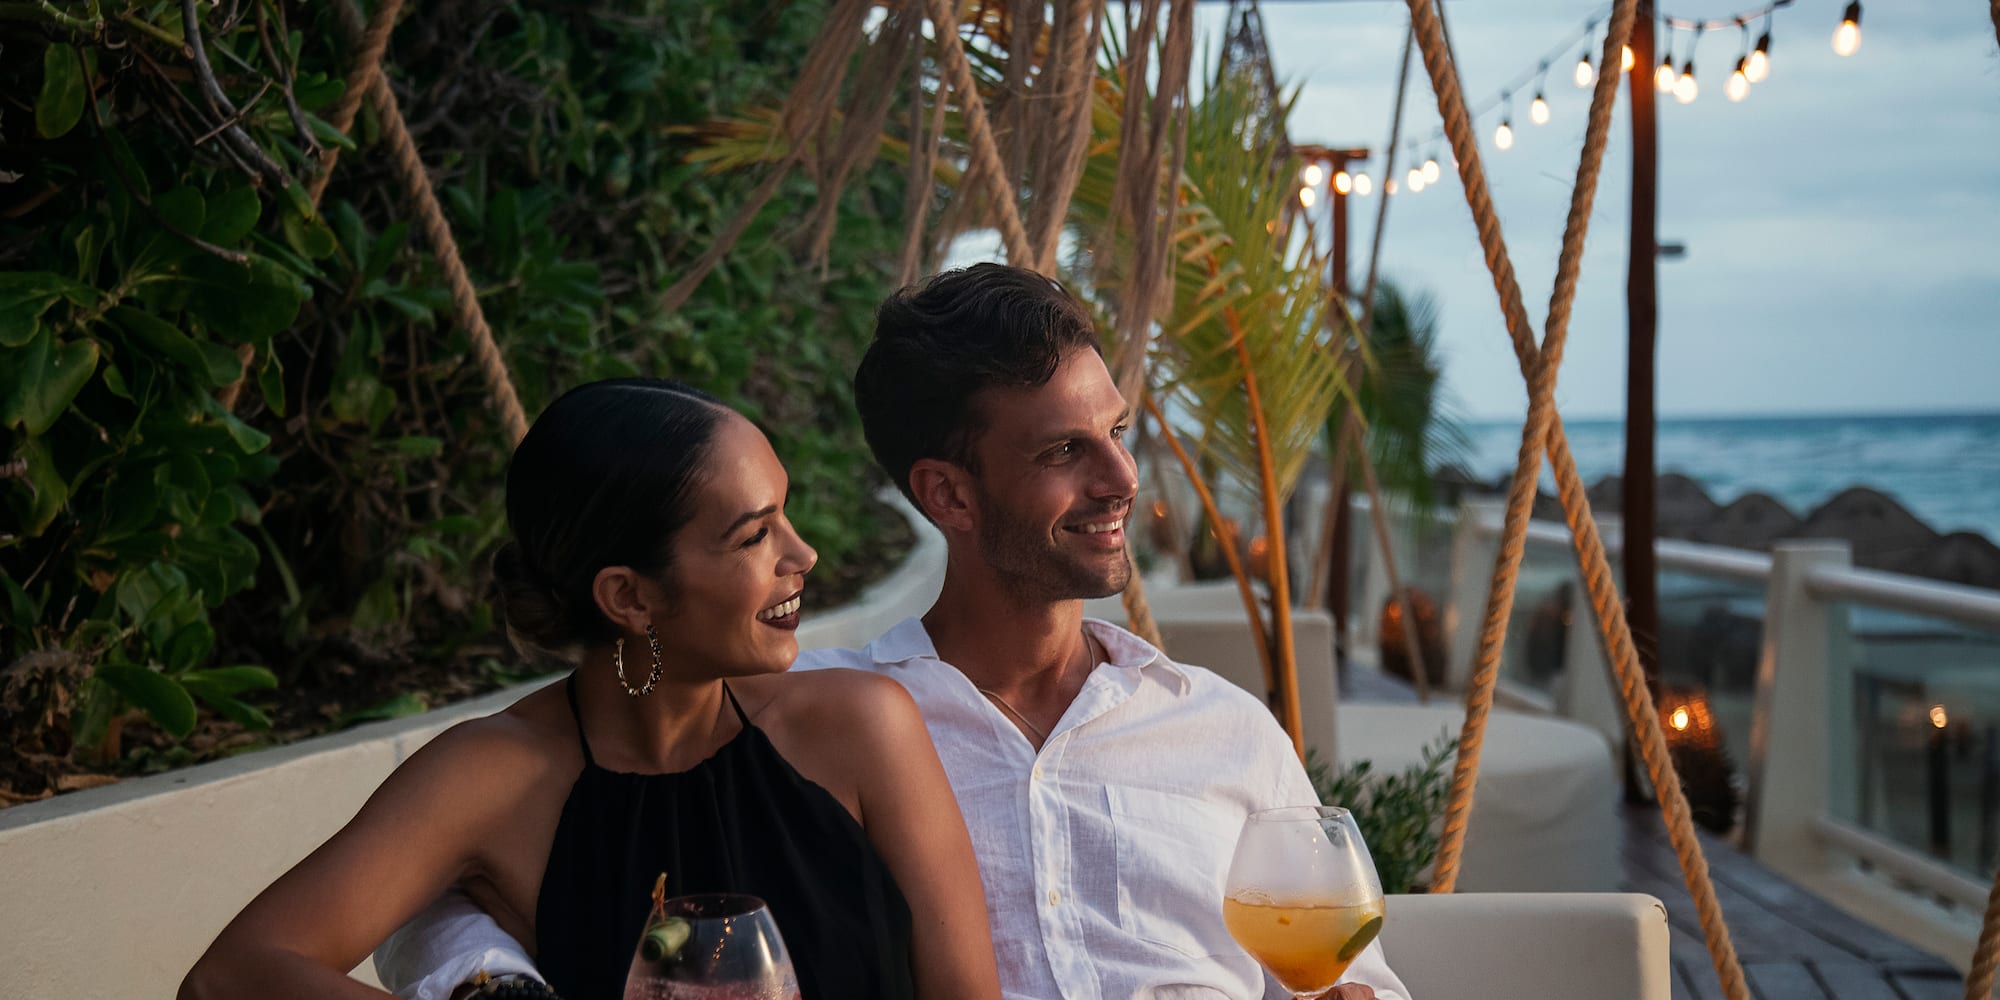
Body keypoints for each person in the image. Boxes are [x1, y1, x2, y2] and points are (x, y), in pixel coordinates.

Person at [382, 266, 1409, 999]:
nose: (1121, 479)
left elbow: (1349, 975)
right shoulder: (812, 735)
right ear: (946, 495)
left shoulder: (1225, 733)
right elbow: (497, 883)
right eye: (1065, 449)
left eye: (1118, 430)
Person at [178, 379, 1002, 1000]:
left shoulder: (861, 729)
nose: (804, 554)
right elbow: (234, 974)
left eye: (784, 514)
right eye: (755, 535)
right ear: (630, 597)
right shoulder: (494, 777)